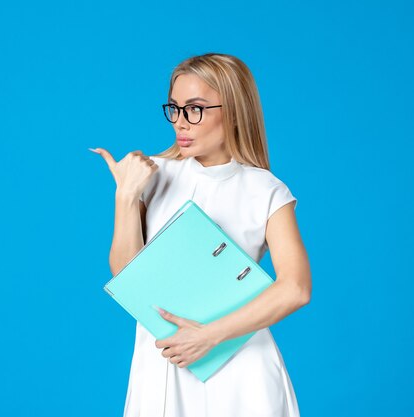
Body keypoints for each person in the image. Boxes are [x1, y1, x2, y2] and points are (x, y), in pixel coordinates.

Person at [90, 52, 312, 417]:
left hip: (239, 365)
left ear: (235, 111)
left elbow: (296, 288)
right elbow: (127, 275)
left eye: (195, 109)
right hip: (166, 360)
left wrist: (208, 336)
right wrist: (126, 196)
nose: (181, 122)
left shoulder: (267, 191)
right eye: (174, 108)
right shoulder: (153, 174)